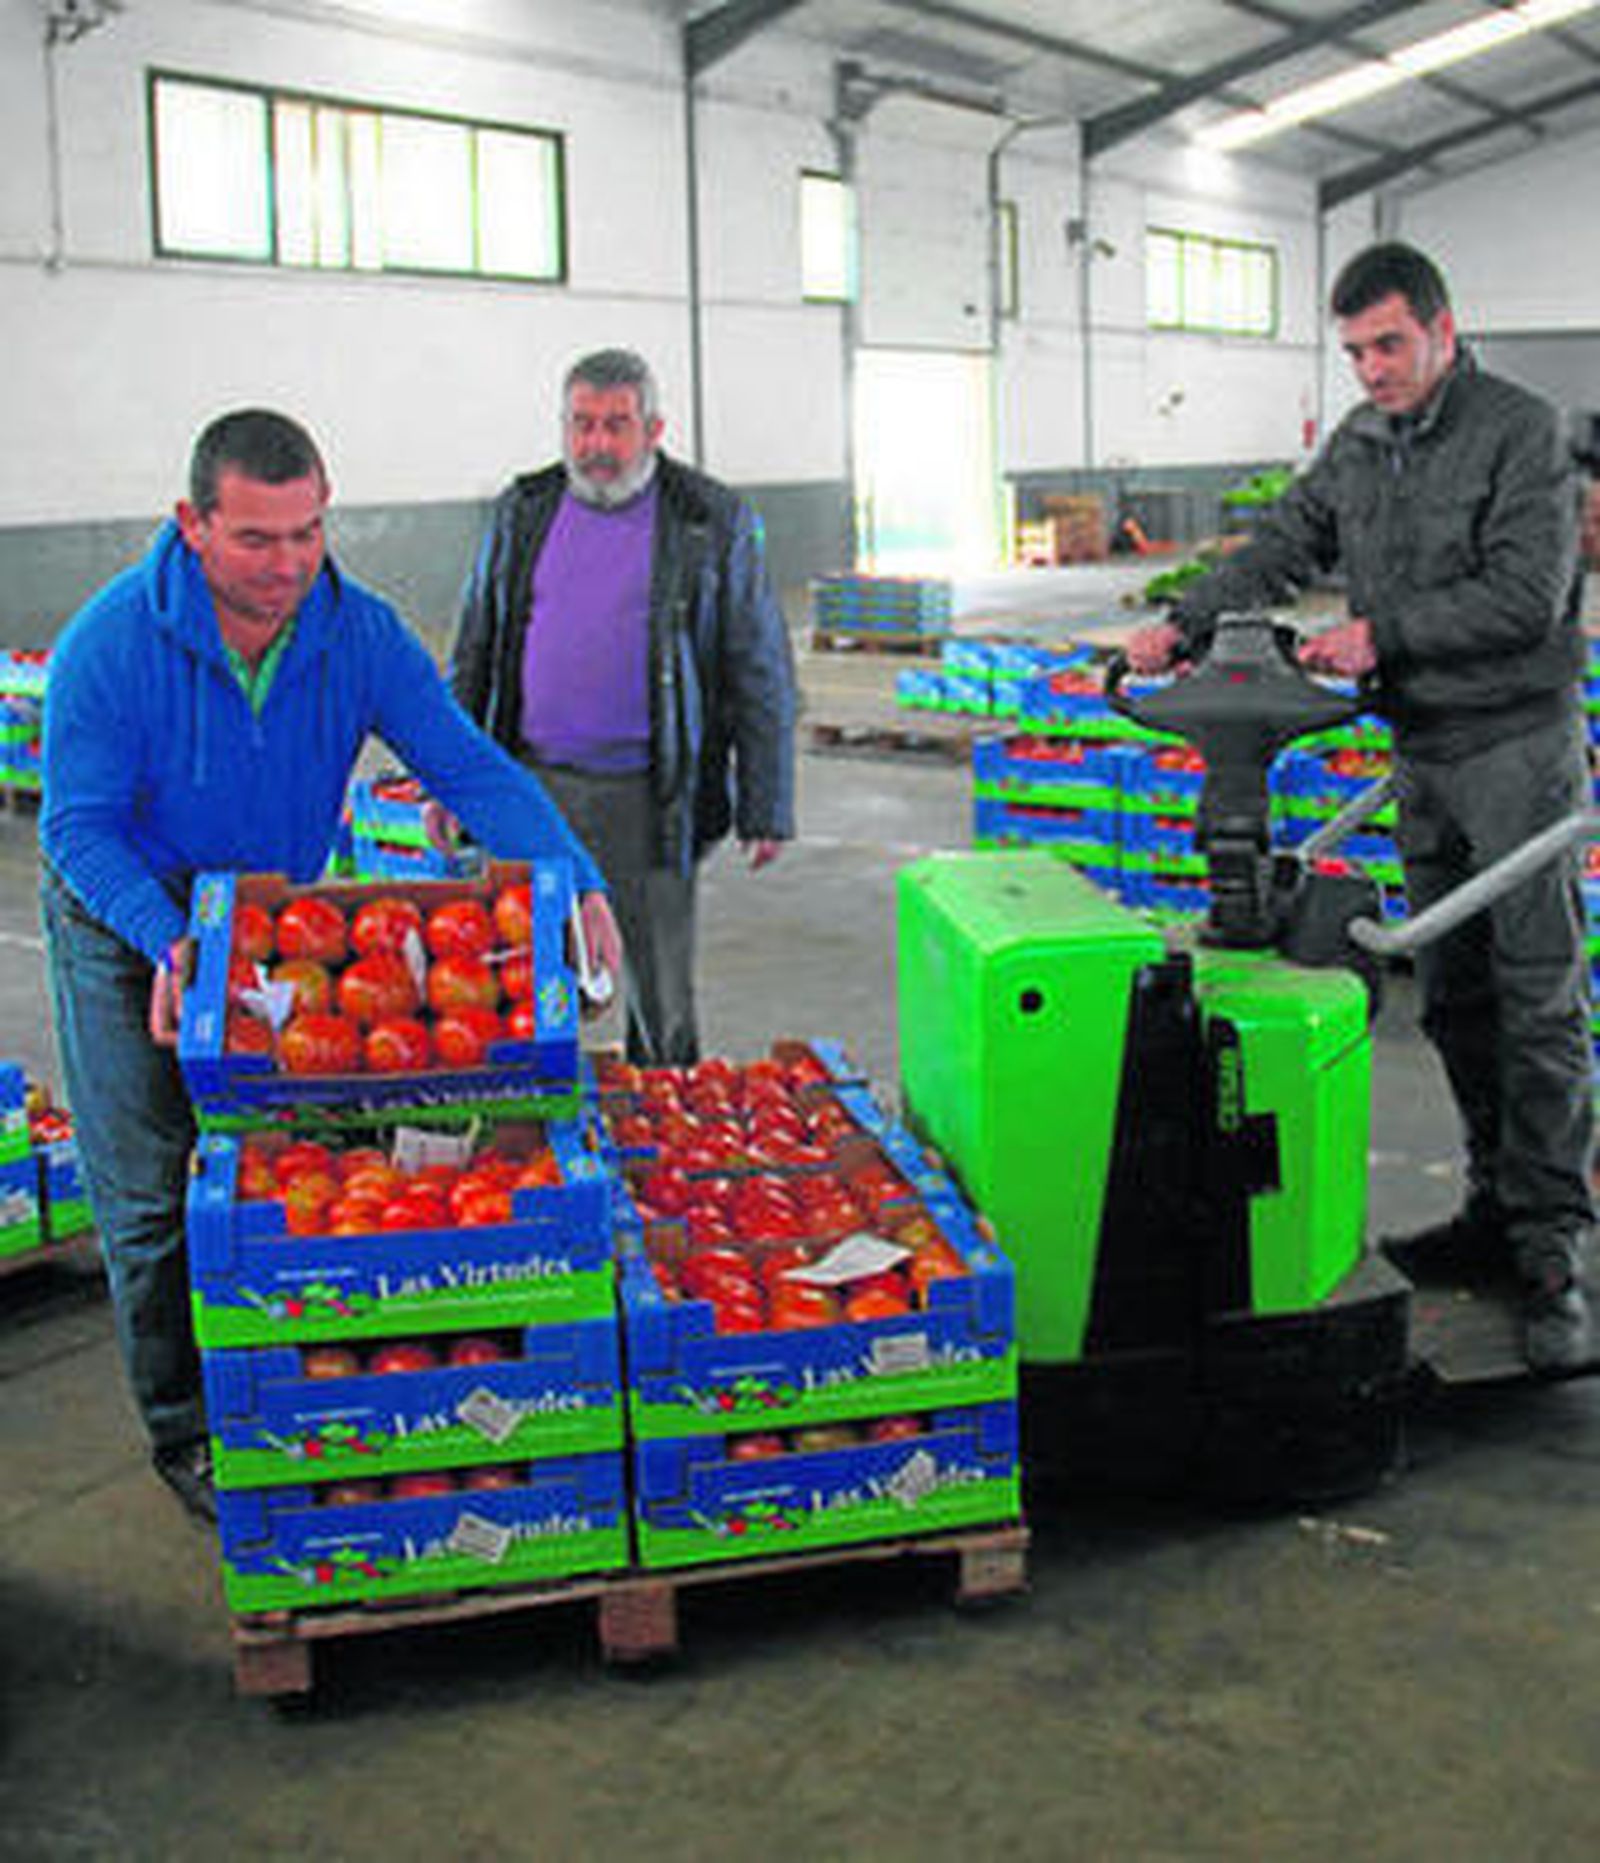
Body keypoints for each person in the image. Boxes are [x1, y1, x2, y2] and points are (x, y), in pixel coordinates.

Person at [40, 408, 621, 1521]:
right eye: (258, 539)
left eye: (308, 532)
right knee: (151, 1187)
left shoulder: (357, 633)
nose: (290, 564)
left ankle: (291, 1383)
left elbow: (463, 763)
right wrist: (167, 944)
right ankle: (188, 1432)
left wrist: (575, 874)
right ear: (193, 525)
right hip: (129, 919)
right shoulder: (110, 646)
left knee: (270, 1159)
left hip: (262, 917)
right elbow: (78, 827)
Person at [1126, 241, 1593, 1376]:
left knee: (1534, 1000)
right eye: (1354, 352)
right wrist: (1181, 623)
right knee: (1452, 996)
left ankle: (1551, 1252)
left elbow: (1525, 593)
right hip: (1420, 751)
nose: (1372, 369)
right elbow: (1286, 543)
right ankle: (1490, 1207)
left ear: (1440, 327)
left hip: (1515, 752)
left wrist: (1383, 633)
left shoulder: (1520, 428)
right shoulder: (1360, 443)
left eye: (1388, 344)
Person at [448, 347, 797, 1066]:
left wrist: (767, 800)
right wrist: (453, 778)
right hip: (531, 789)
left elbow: (759, 664)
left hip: (654, 797)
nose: (597, 445)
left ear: (654, 428)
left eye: (616, 425)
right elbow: (474, 648)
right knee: (518, 979)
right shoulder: (523, 510)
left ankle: (662, 1140)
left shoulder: (711, 520)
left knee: (659, 993)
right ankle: (530, 1136)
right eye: (582, 425)